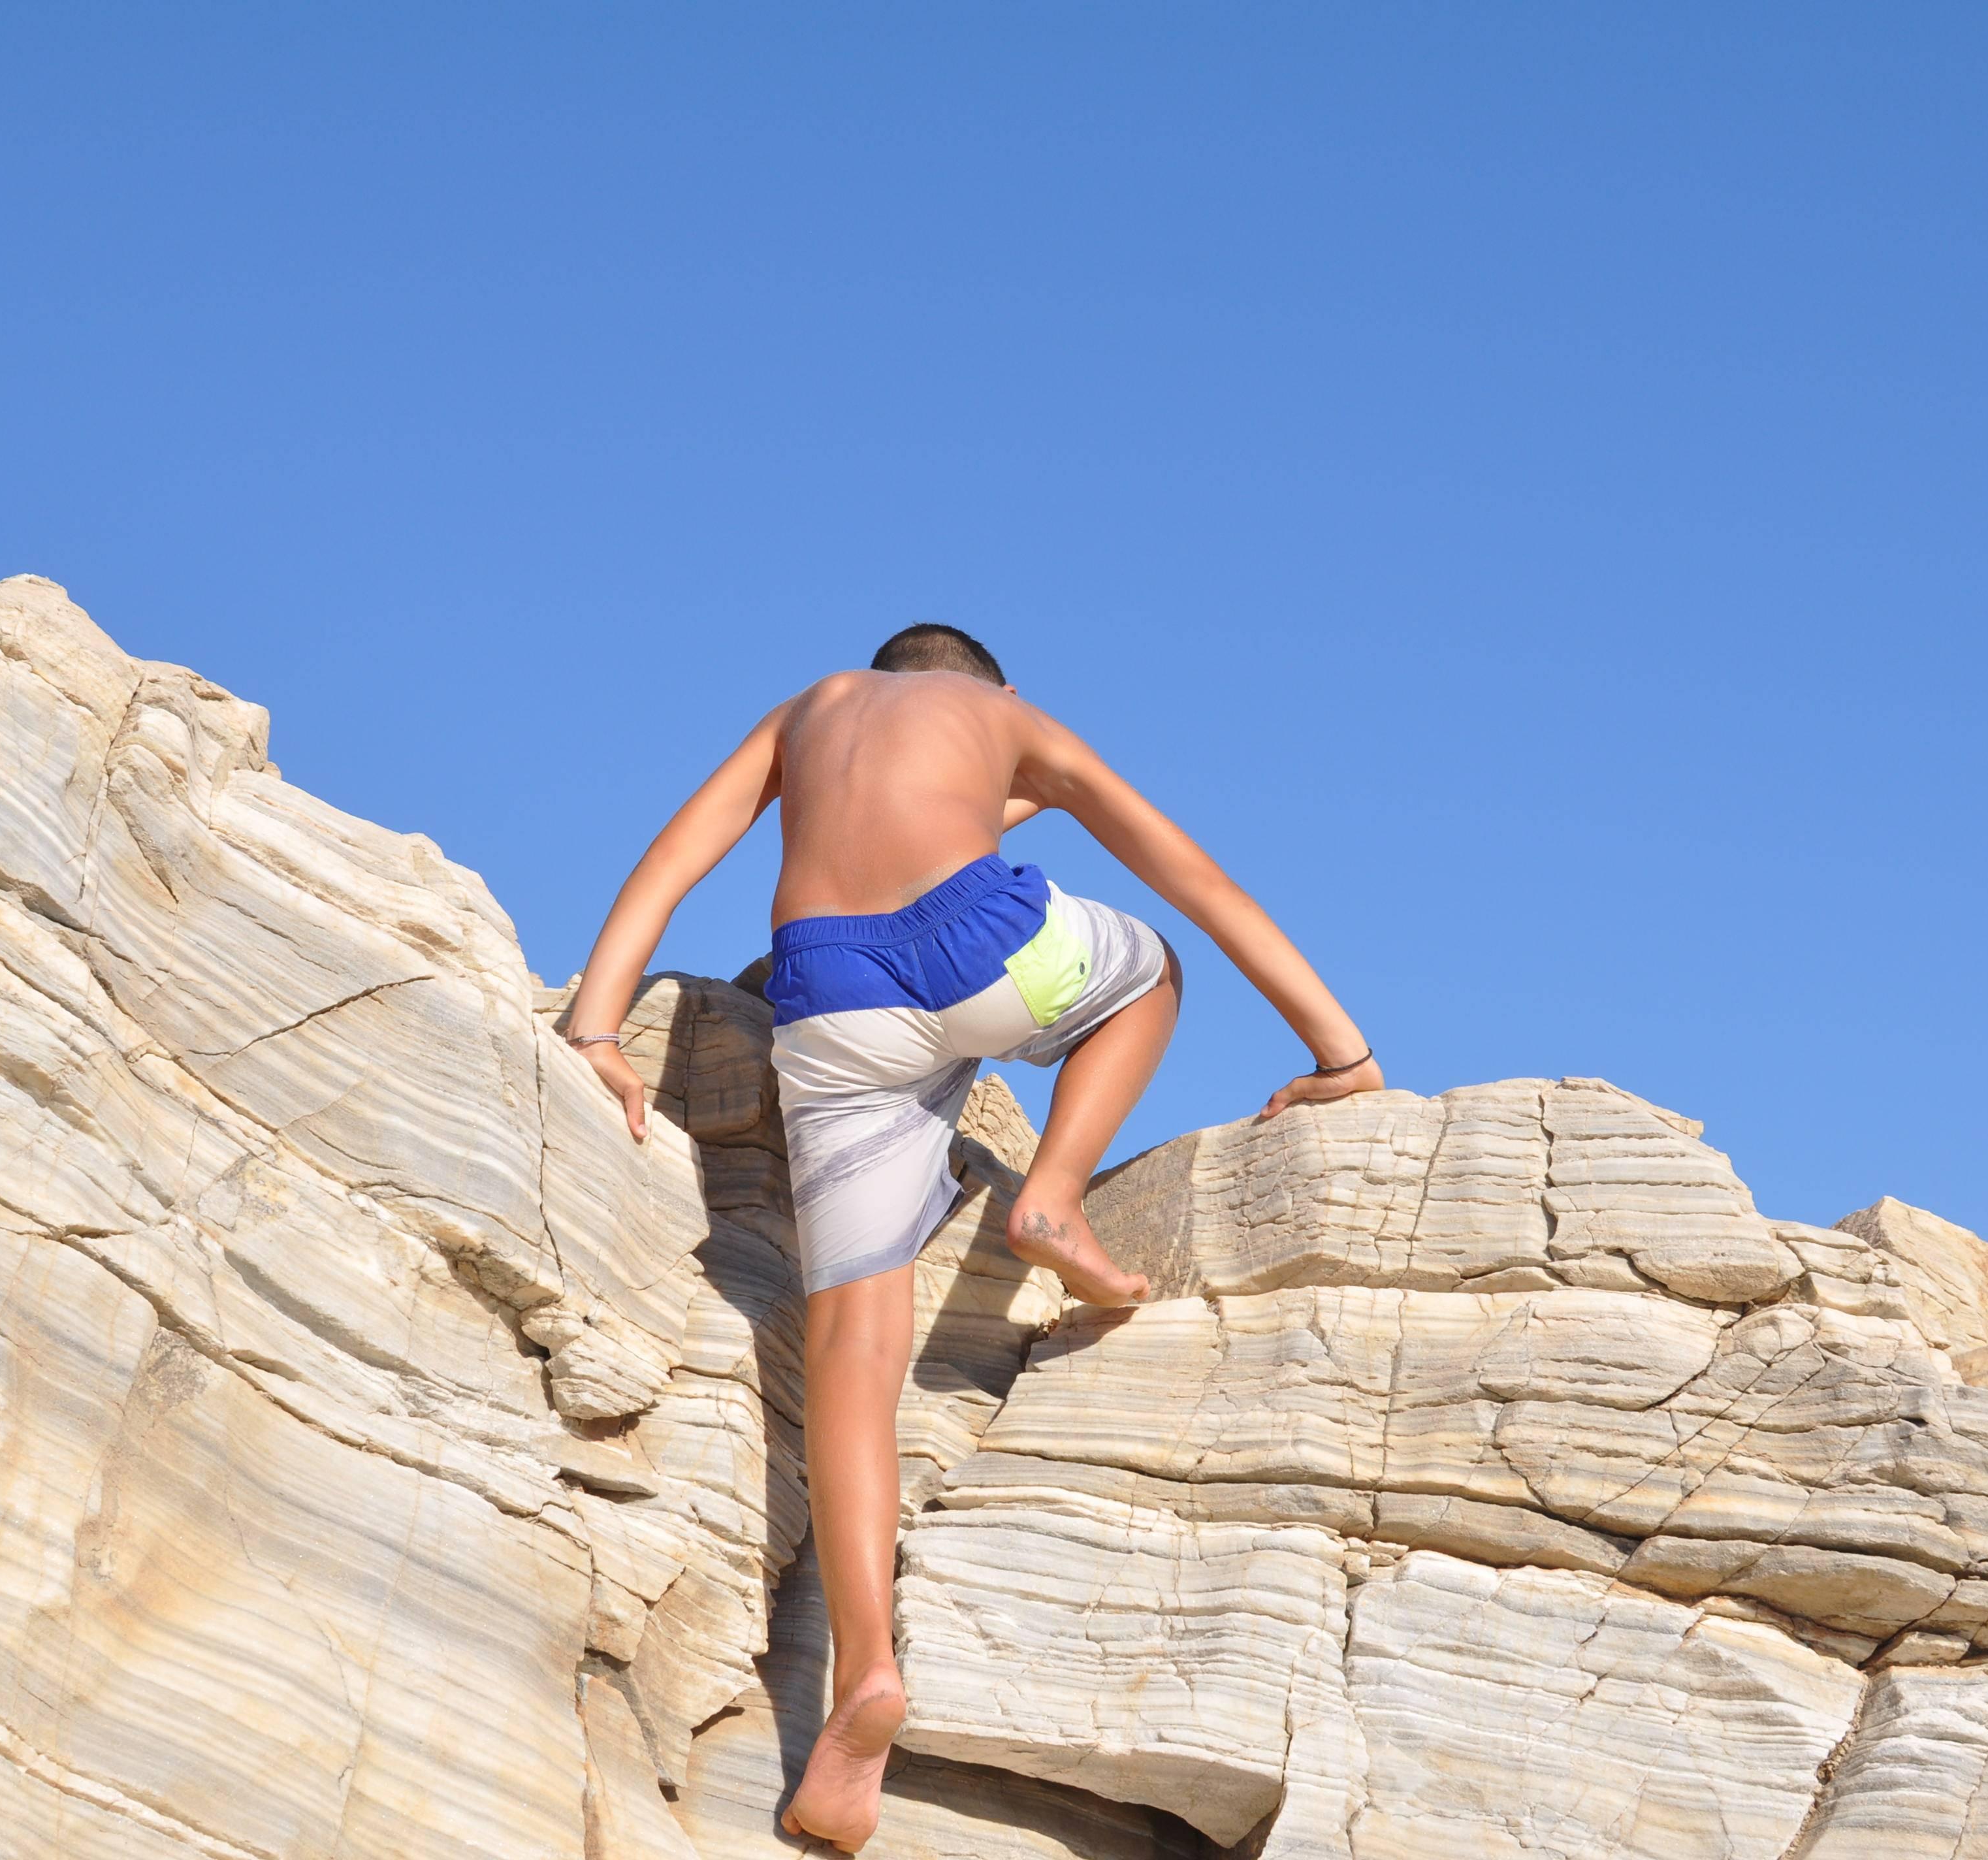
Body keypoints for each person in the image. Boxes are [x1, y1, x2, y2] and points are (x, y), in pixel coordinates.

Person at [564, 623, 1382, 1853]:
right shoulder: (1012, 718)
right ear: (985, 693)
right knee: (1150, 967)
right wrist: (1344, 1055)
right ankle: (1053, 1193)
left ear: (888, 677)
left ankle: (863, 1682)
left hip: (830, 999)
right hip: (985, 951)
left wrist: (596, 1027)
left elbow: (680, 853)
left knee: (853, 1351)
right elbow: (1198, 881)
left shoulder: (810, 709)